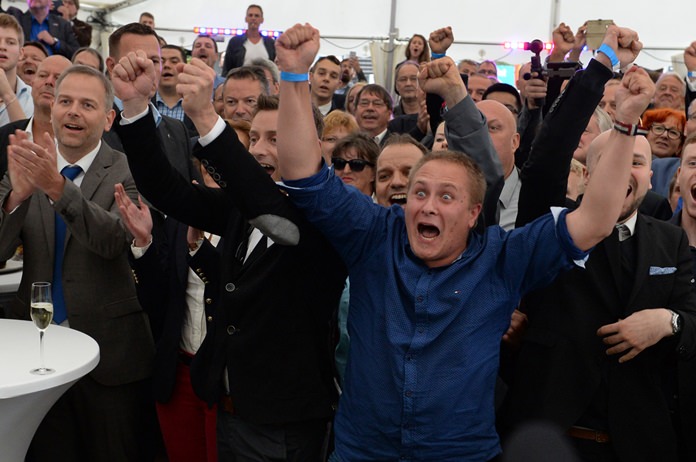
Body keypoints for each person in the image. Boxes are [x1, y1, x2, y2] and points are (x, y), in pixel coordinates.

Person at [273, 23, 649, 460]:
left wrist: (625, 123)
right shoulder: (376, 235)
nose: (427, 207)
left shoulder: (503, 258)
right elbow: (304, 175)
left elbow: (595, 220)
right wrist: (294, 74)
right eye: (420, 193)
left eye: (446, 197)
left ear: (474, 214)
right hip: (362, 452)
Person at [110, 52, 347, 460]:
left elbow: (273, 214)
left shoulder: (326, 218)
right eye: (253, 138)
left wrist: (204, 116)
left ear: (313, 146)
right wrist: (135, 107)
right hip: (227, 412)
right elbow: (167, 190)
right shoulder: (239, 208)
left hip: (283, 426)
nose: (258, 149)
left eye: (275, 138)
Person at [0, 64, 155, 461]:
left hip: (110, 356)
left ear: (107, 118)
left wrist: (56, 187)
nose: (72, 112)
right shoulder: (25, 163)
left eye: (87, 105)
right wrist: (15, 198)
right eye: (65, 101)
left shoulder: (130, 167)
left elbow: (112, 240)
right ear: (51, 110)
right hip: (36, 351)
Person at [0, 54, 69, 176]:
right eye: (43, 76)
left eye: (58, 78)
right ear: (32, 82)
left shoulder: (80, 142)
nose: (49, 82)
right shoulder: (4, 136)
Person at [0, 13, 34, 126]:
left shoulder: (33, 98)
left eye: (10, 42)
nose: (2, 47)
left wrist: (7, 94)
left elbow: (27, 139)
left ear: (21, 53)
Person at [222, 4, 275, 75]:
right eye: (250, 15)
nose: (253, 18)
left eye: (256, 16)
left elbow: (274, 67)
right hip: (241, 82)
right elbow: (227, 68)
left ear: (262, 20)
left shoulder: (270, 43)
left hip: (265, 83)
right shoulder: (235, 42)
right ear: (246, 19)